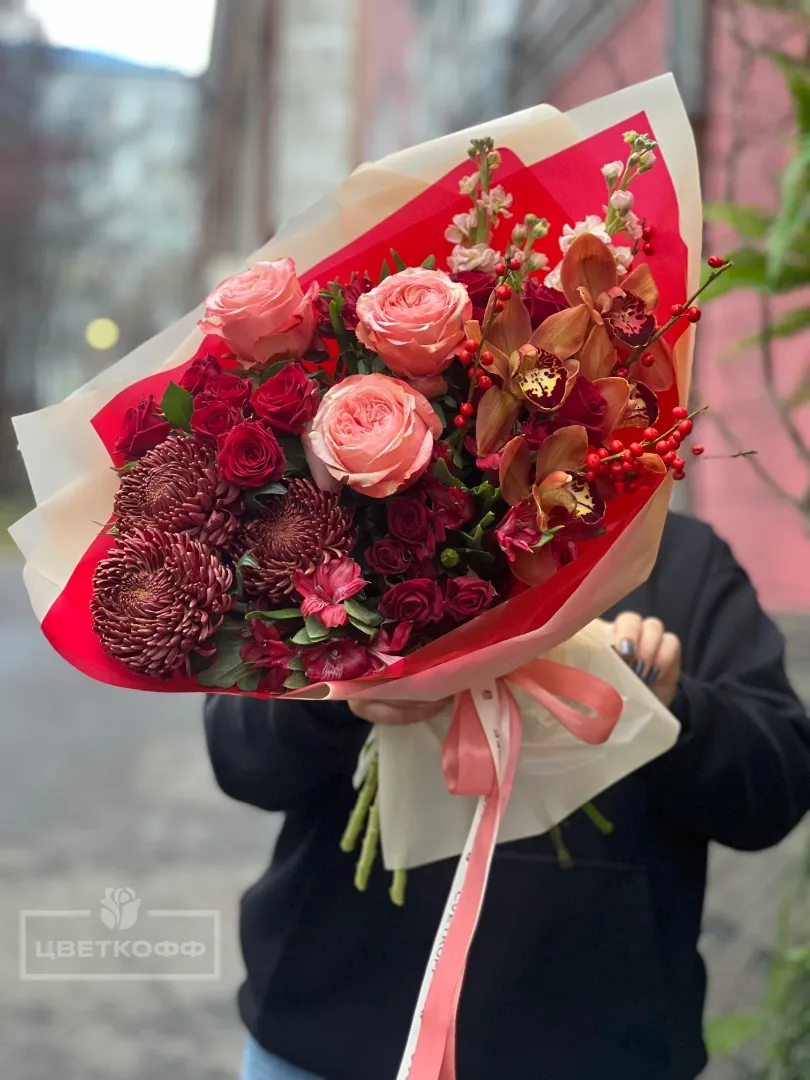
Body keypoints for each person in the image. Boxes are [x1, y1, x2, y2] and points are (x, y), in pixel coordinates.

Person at [204, 512, 810, 1080]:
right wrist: (334, 692)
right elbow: (242, 757)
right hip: (329, 1032)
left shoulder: (674, 557)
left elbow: (774, 791)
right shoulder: (363, 534)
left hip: (598, 1044)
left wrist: (672, 706)